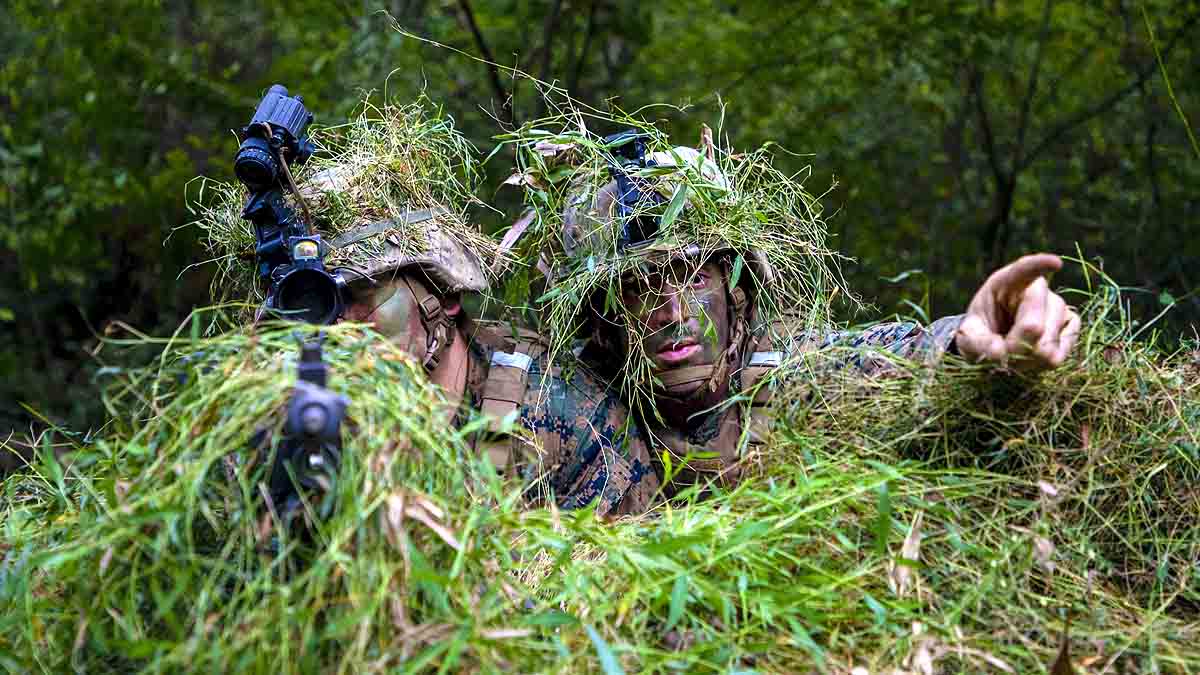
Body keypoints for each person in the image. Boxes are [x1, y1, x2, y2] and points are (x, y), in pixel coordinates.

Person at [506, 129, 1081, 510]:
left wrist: (965, 340)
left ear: (737, 289)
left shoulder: (793, 375)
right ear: (605, 315)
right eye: (640, 288)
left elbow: (883, 358)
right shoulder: (572, 401)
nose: (674, 311)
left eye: (694, 275)